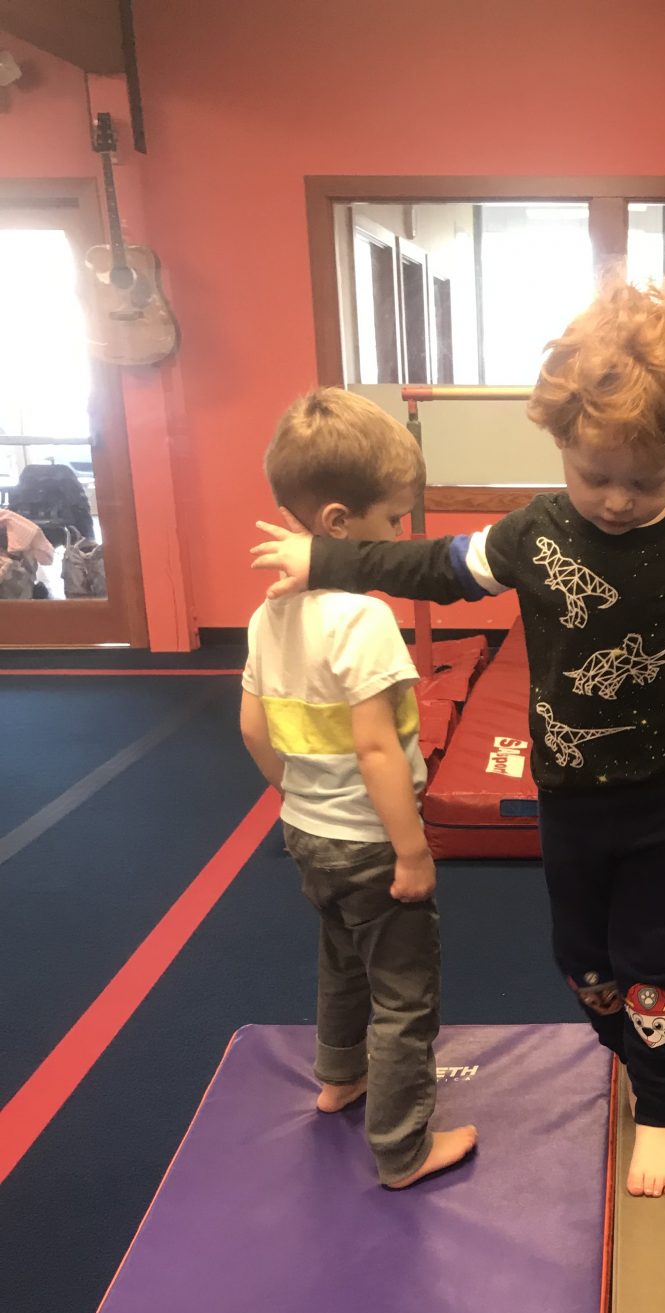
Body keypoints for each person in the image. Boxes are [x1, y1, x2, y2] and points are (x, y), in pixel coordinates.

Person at [251, 281, 665, 1199]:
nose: (616, 500)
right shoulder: (534, 533)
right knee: (583, 964)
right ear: (562, 446)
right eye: (595, 476)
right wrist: (329, 559)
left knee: (658, 964)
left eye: (645, 482)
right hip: (573, 800)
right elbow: (435, 567)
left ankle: (662, 1103)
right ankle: (644, 1046)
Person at [241, 388, 477, 1188]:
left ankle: (339, 1076)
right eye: (392, 520)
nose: (400, 538)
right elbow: (377, 747)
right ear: (340, 523)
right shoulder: (363, 618)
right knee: (404, 992)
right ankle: (404, 1147)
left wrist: (299, 793)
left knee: (340, 955)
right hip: (374, 842)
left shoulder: (267, 615)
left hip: (307, 832)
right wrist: (410, 849)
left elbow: (252, 728)